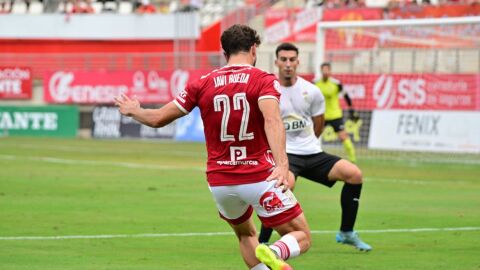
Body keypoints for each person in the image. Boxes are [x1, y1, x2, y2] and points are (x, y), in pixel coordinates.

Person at [115, 25, 311, 270]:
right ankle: (272, 251)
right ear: (253, 49)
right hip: (258, 175)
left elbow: (157, 119)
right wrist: (283, 164)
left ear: (223, 52)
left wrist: (135, 111)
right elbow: (272, 120)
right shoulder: (263, 80)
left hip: (220, 181)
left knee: (245, 235)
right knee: (301, 235)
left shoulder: (203, 83)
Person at [258, 42, 371, 252]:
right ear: (276, 62)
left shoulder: (312, 91)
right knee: (282, 187)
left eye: (292, 60)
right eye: (284, 59)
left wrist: (309, 142)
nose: (288, 64)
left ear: (298, 62)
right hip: (286, 155)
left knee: (354, 174)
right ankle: (263, 241)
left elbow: (319, 122)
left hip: (312, 152)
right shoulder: (268, 90)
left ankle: (346, 232)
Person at [315, 62, 358, 163]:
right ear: (321, 71)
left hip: (335, 115)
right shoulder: (315, 83)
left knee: (343, 136)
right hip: (321, 115)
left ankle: (353, 159)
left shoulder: (336, 84)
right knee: (313, 137)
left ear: (330, 71)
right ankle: (310, 157)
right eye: (323, 70)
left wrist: (351, 110)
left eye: (327, 70)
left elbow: (346, 96)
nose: (325, 72)